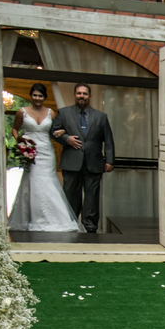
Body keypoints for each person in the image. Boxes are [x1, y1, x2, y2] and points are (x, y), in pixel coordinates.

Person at [8, 83, 82, 232]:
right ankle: (34, 217)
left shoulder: (51, 113)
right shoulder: (22, 111)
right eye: (35, 95)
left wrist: (61, 133)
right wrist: (20, 142)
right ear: (31, 96)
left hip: (46, 152)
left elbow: (57, 129)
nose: (37, 98)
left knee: (48, 182)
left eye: (40, 96)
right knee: (33, 181)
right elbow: (15, 129)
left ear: (44, 97)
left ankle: (56, 218)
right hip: (30, 151)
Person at [50, 82, 114, 233]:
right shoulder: (64, 113)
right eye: (79, 93)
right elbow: (52, 132)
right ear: (74, 95)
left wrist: (110, 160)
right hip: (71, 162)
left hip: (94, 163)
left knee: (92, 197)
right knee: (71, 196)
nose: (81, 96)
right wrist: (66, 139)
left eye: (85, 94)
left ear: (89, 96)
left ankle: (90, 227)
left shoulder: (101, 117)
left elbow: (108, 140)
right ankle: (71, 224)